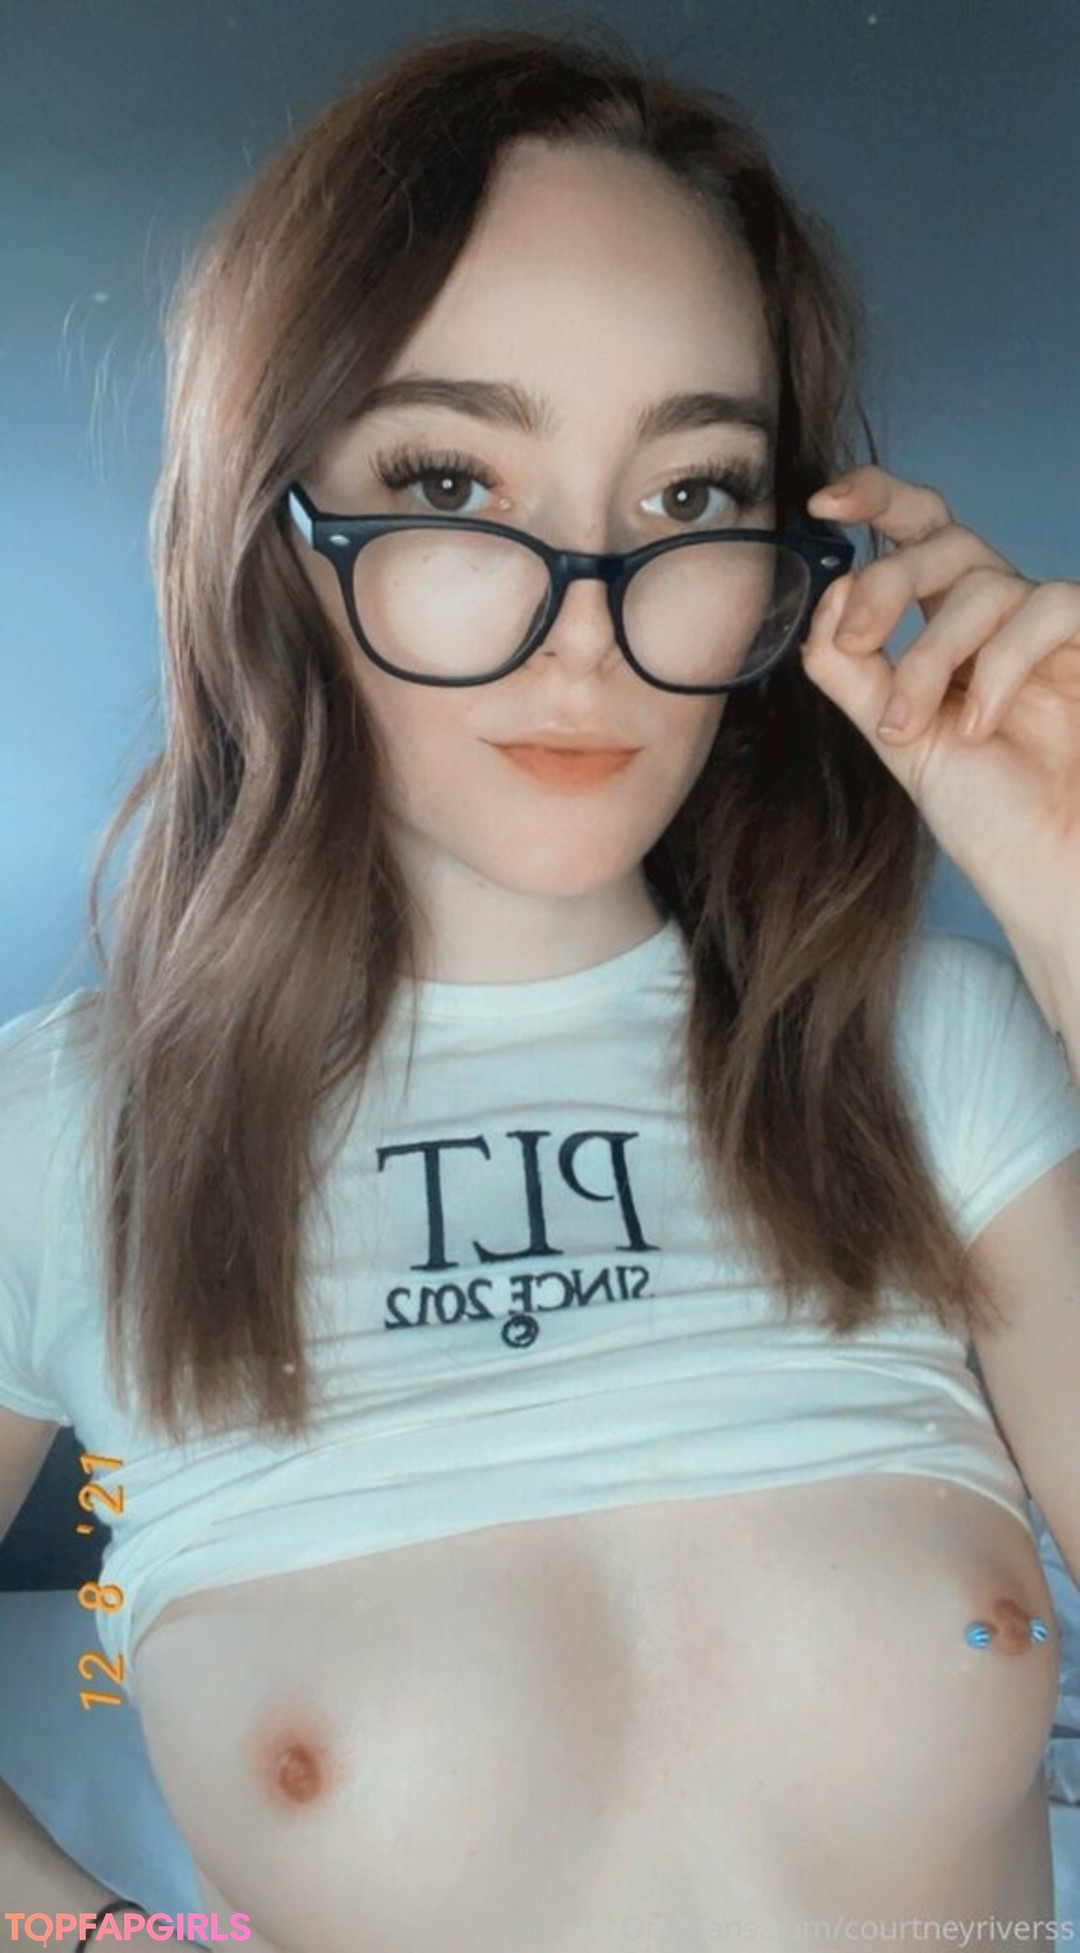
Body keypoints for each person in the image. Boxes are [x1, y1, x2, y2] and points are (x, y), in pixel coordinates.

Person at [2, 23, 1080, 1953]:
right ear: (275, 535)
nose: (586, 625)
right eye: (452, 475)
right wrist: (86, 1941)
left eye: (689, 497)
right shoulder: (74, 1136)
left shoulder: (925, 1055)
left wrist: (1068, 887)